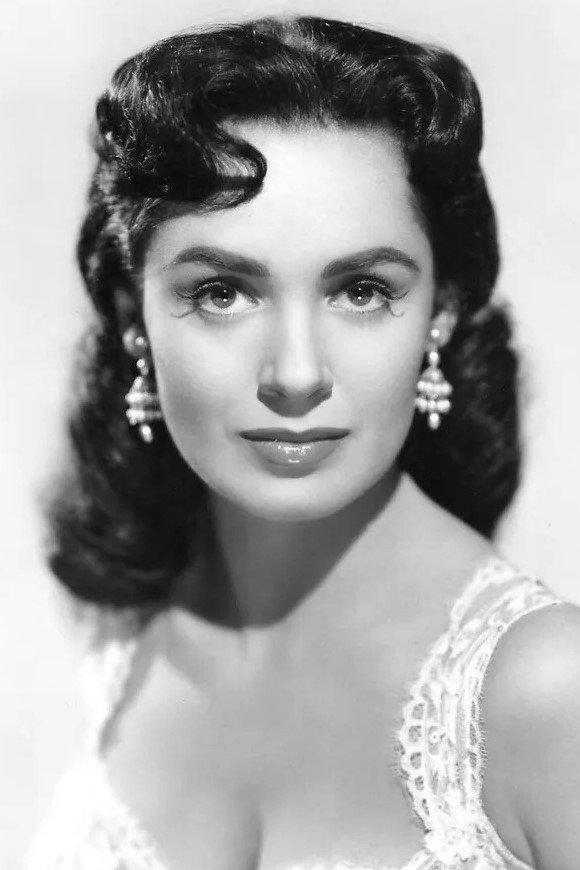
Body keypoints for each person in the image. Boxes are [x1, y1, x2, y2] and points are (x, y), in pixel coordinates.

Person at [27, 14, 580, 870]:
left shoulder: (550, 692)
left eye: (361, 291)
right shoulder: (128, 631)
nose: (295, 374)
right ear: (134, 318)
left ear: (440, 311)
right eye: (222, 292)